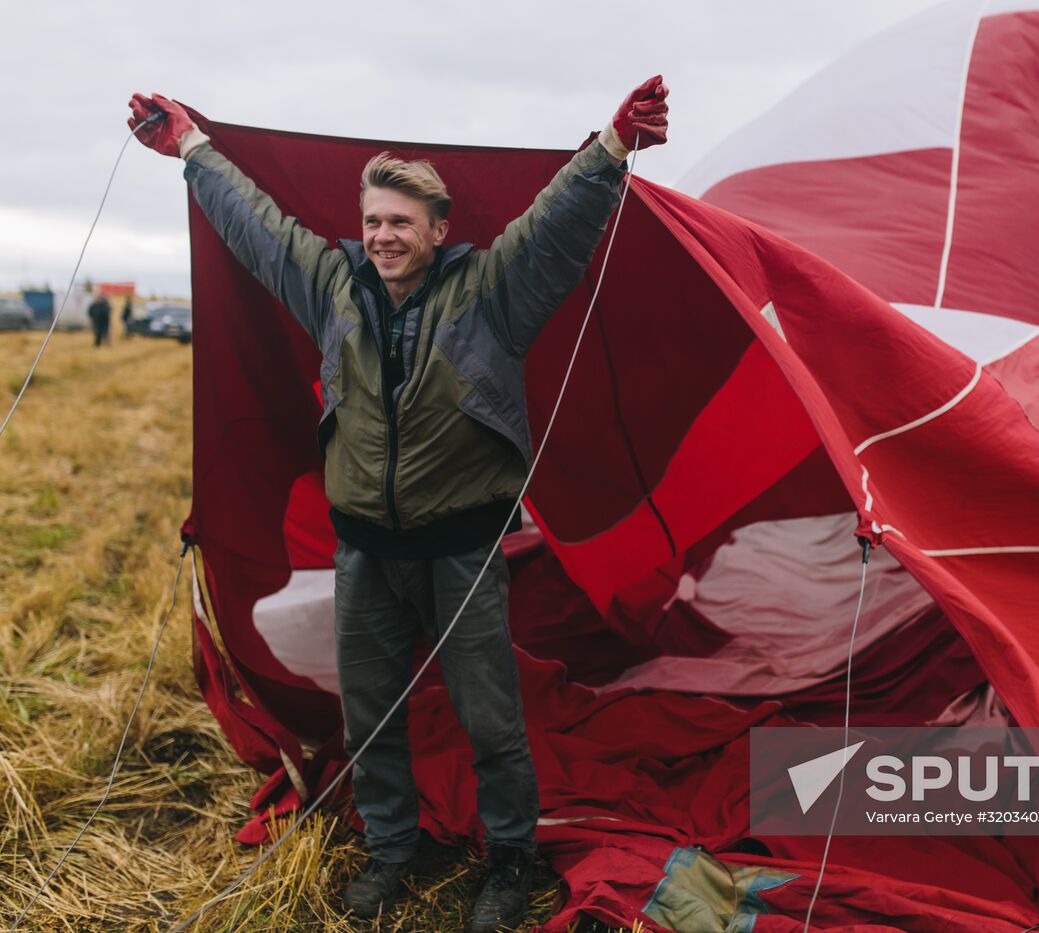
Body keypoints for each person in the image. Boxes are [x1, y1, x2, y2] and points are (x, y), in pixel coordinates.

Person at [126, 81, 668, 929]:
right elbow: (258, 228)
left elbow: (552, 227)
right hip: (366, 553)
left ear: (437, 230)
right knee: (370, 716)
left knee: (491, 718)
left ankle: (508, 859)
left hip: (461, 552)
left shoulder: (490, 293)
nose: (383, 235)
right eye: (374, 220)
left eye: (402, 222)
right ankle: (390, 848)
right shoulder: (331, 286)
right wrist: (192, 149)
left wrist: (610, 148)